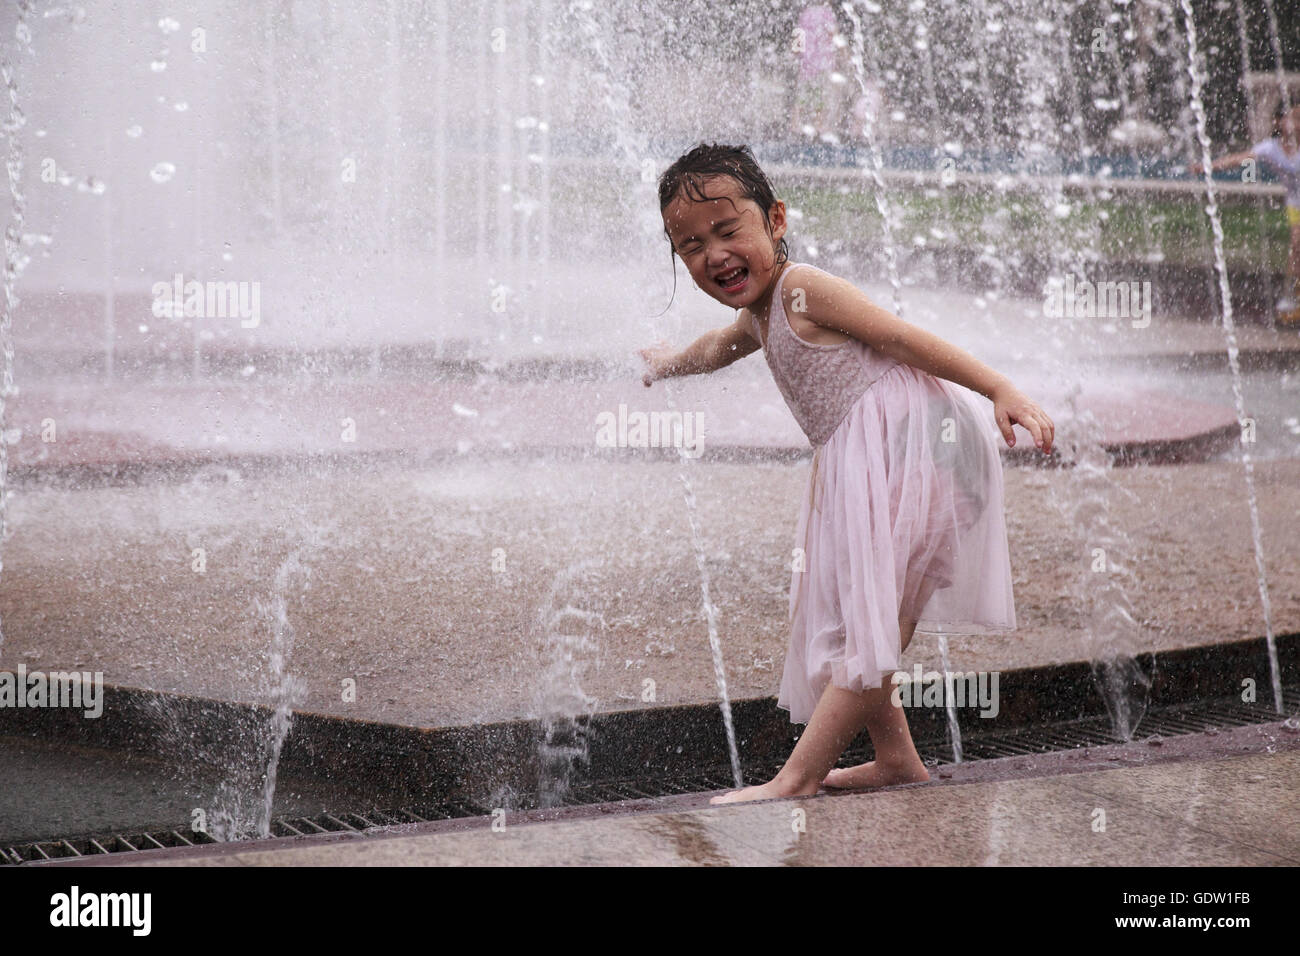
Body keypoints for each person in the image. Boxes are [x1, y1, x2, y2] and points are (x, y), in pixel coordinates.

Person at [639, 143, 1054, 805]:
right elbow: (716, 349)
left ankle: (796, 779)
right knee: (862, 620)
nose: (712, 254)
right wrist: (667, 363)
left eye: (726, 230)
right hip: (871, 463)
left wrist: (998, 387)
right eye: (689, 245)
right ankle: (895, 759)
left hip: (926, 457)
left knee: (876, 629)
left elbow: (902, 339)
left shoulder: (804, 289)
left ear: (775, 220)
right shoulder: (760, 314)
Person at [1191, 104, 1300, 323]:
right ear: (1279, 122)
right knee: (1296, 246)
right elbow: (1243, 160)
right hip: (1296, 204)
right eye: (1292, 117)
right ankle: (1292, 296)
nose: (1295, 123)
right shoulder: (1271, 149)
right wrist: (1209, 167)